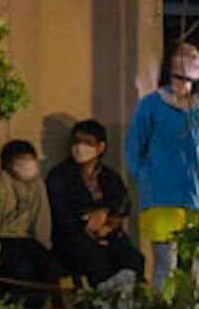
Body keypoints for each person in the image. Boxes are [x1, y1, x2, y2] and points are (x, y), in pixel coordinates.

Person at [124, 40, 199, 291]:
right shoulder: (151, 105)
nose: (191, 59)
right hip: (162, 197)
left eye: (195, 56)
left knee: (194, 270)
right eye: (184, 54)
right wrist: (148, 178)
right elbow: (134, 148)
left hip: (198, 198)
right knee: (165, 267)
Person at [45, 116, 138, 295]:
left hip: (108, 234)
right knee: (96, 261)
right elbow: (59, 210)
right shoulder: (60, 175)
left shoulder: (109, 176)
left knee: (132, 259)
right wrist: (86, 223)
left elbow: (123, 202)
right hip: (73, 237)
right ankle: (101, 305)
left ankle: (127, 304)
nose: (80, 147)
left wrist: (108, 220)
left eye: (88, 142)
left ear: (100, 147)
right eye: (77, 142)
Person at [0, 134, 59, 309]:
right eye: (22, 162)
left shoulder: (37, 183)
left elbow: (41, 215)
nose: (28, 167)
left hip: (27, 239)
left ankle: (37, 308)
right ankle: (16, 308)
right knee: (20, 268)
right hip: (5, 238)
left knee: (48, 265)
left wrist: (43, 244)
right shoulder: (1, 180)